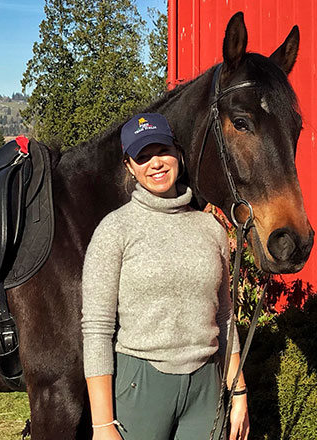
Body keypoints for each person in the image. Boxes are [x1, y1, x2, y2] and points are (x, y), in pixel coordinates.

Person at [81, 113, 249, 440]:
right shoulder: (115, 231)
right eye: (142, 156)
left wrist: (238, 391)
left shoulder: (211, 230)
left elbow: (224, 315)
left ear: (178, 154)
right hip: (141, 385)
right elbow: (97, 328)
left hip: (205, 388)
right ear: (129, 167)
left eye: (161, 150)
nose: (155, 163)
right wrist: (102, 424)